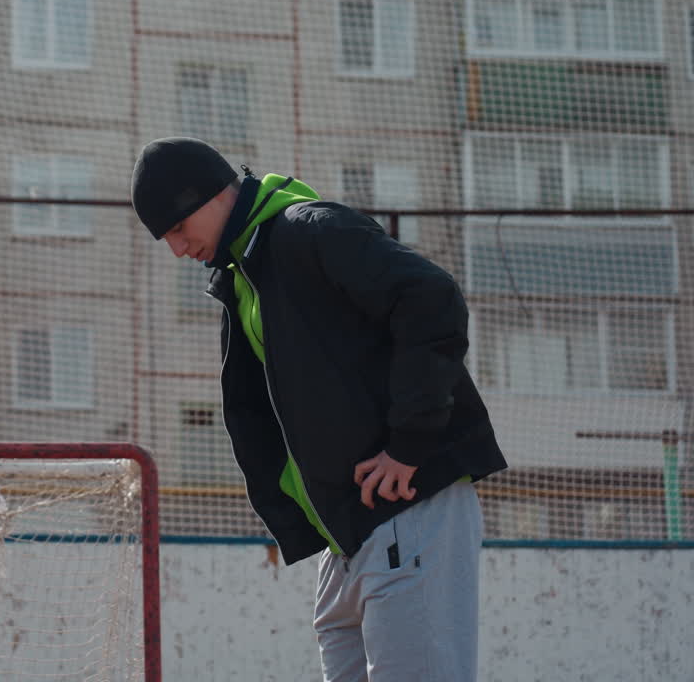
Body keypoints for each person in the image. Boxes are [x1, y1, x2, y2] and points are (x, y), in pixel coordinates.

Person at [130, 137, 507, 681]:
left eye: (177, 230)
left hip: (407, 508)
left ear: (209, 198)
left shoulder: (310, 230)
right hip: (348, 535)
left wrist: (409, 445)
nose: (177, 249)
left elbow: (432, 298)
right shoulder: (246, 280)